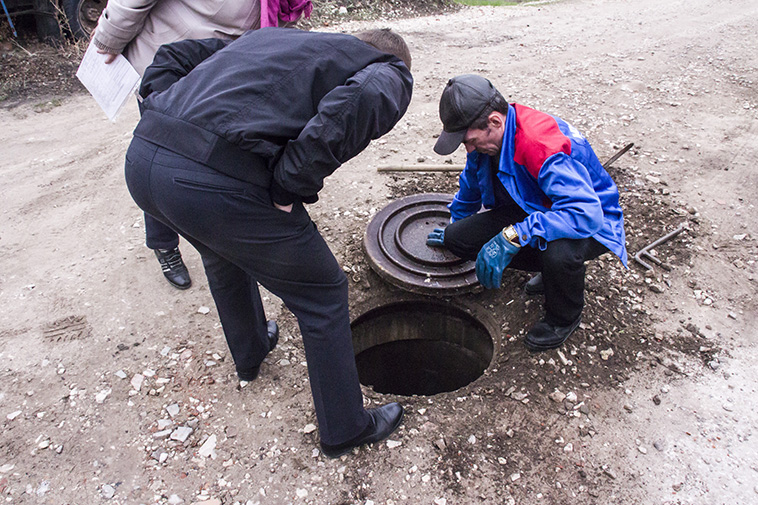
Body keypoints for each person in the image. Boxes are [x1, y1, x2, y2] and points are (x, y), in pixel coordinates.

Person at [123, 27, 413, 457]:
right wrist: (286, 187)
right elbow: (361, 99)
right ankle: (345, 428)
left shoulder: (273, 39)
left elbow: (172, 54)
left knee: (222, 253)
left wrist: (163, 114)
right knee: (323, 292)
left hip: (144, 162)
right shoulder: (388, 69)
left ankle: (252, 350)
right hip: (210, 183)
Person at [91, 0, 312, 289]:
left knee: (216, 162)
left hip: (223, 74)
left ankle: (222, 247)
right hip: (170, 68)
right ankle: (165, 245)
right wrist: (109, 39)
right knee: (163, 156)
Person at [428, 74, 627, 351]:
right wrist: (457, 225)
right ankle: (547, 266)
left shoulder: (539, 145)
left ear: (495, 122)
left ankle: (563, 315)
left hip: (592, 219)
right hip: (537, 206)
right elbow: (470, 185)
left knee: (558, 254)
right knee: (458, 238)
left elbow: (586, 213)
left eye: (470, 140)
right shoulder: (487, 142)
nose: (469, 148)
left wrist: (515, 234)